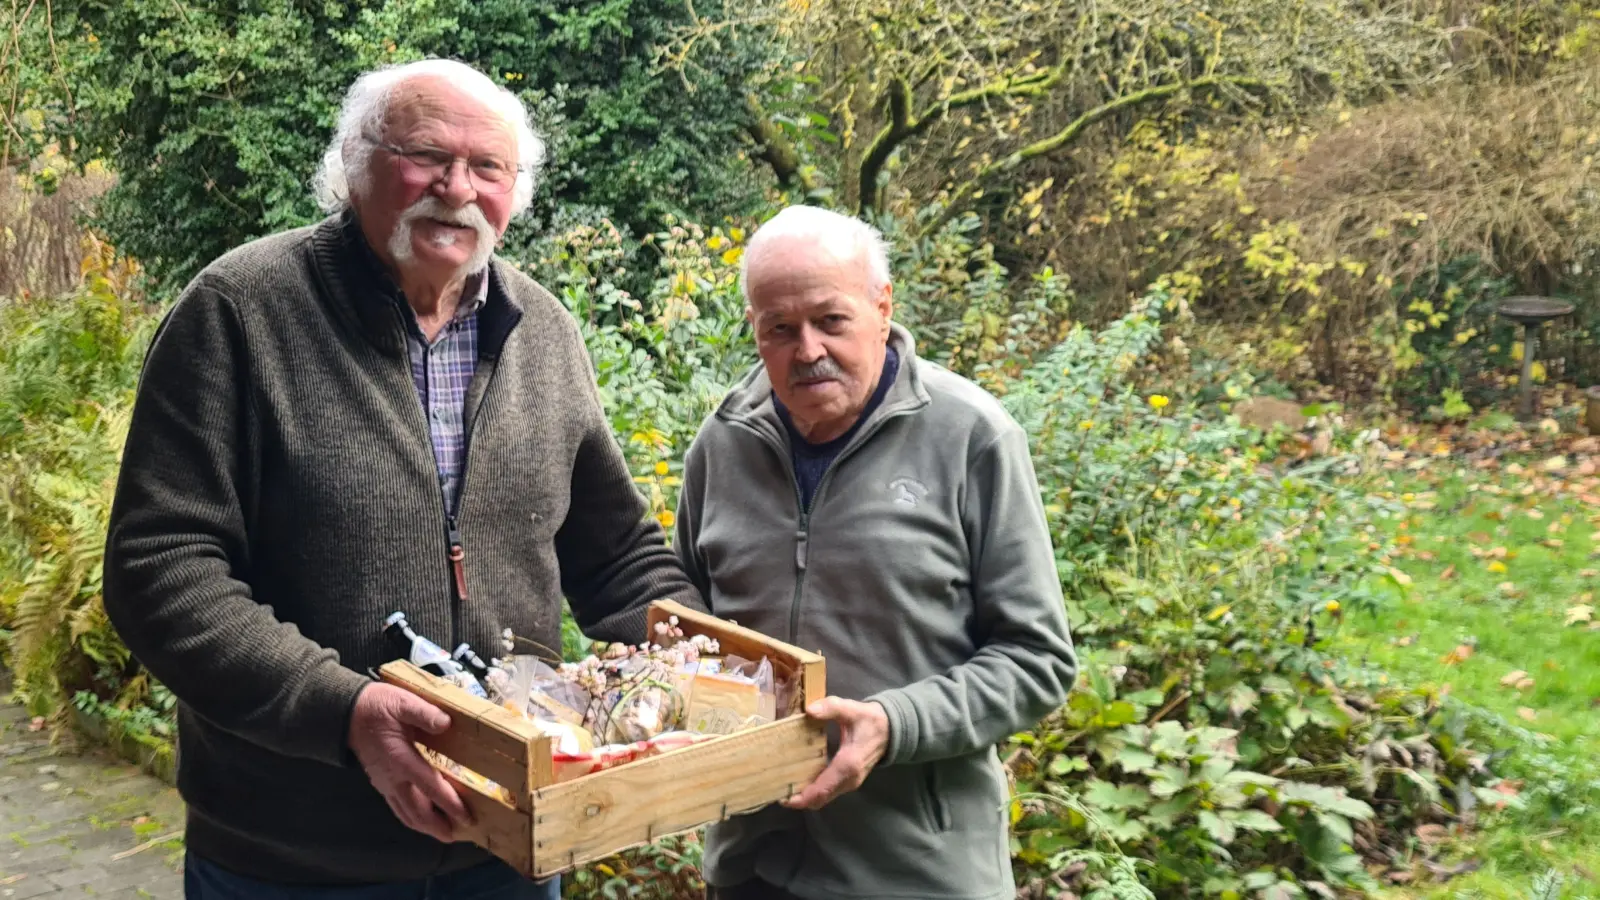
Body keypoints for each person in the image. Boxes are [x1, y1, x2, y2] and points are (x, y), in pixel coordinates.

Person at [101, 58, 702, 899]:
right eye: (425, 155)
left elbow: (616, 554)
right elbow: (159, 567)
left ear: (513, 191)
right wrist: (342, 712)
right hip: (291, 856)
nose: (456, 188)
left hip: (509, 845)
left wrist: (705, 669)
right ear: (353, 163)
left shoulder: (544, 331)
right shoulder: (239, 311)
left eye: (488, 167)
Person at [672, 205, 1079, 900]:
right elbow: (686, 623)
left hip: (917, 873)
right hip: (749, 868)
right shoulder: (723, 443)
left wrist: (896, 724)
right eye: (780, 329)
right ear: (755, 330)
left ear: (881, 307)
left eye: (831, 320)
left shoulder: (972, 438)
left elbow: (1038, 661)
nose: (807, 351)